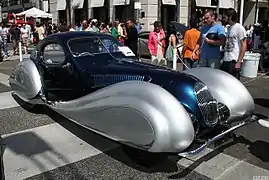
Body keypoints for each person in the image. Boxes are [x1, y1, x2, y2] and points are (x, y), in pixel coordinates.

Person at [221, 8, 247, 80]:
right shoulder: (228, 28)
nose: (224, 18)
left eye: (225, 16)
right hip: (226, 59)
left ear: (230, 17)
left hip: (234, 60)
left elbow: (244, 45)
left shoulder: (239, 28)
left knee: (233, 82)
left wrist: (238, 62)